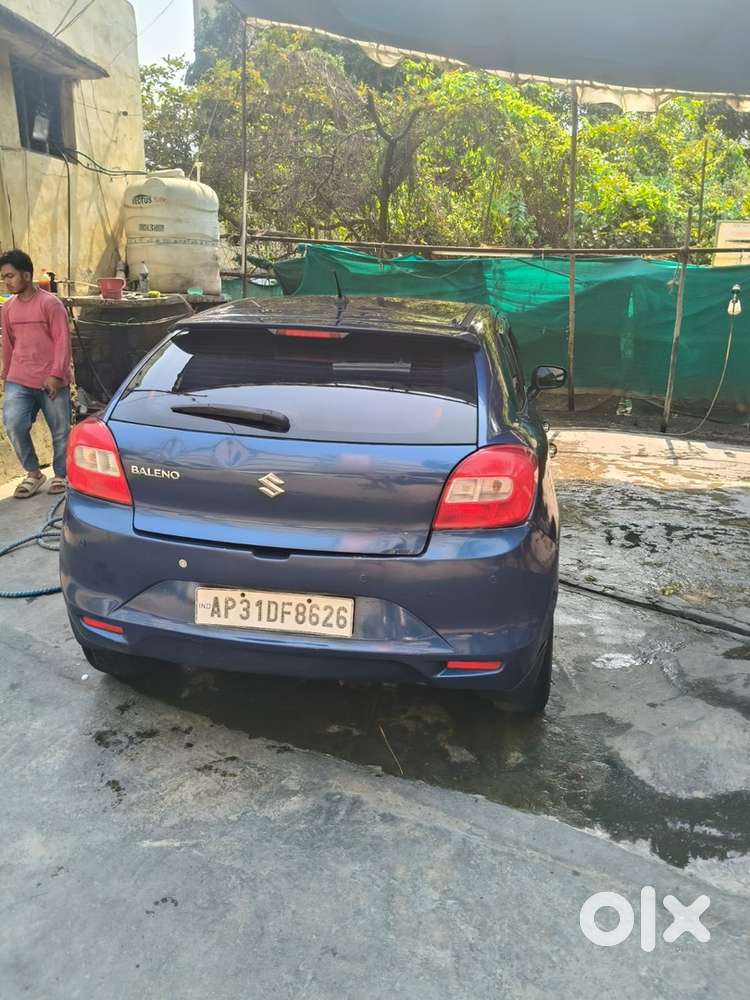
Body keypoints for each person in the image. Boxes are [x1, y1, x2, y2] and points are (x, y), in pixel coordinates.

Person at [0, 248, 71, 498]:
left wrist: (56, 374)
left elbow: (63, 342)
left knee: (60, 430)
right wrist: (5, 374)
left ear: (27, 275)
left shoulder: (51, 304)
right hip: (19, 379)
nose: (6, 281)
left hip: (51, 379)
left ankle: (61, 474)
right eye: (3, 277)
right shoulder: (8, 308)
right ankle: (33, 473)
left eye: (10, 276)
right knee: (14, 424)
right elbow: (8, 343)